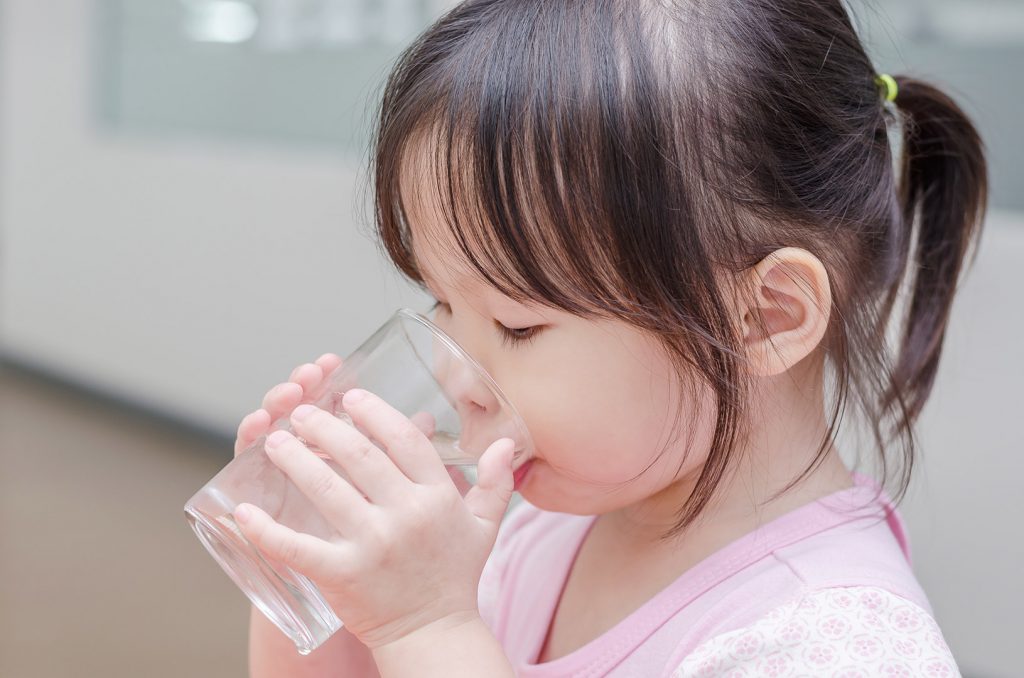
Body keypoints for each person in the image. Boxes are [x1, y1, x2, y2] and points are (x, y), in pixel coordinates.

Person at [233, 1, 986, 675]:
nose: (452, 372)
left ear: (765, 318)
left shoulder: (836, 646)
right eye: (441, 303)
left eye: (518, 325)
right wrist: (323, 582)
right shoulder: (547, 536)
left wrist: (426, 624)